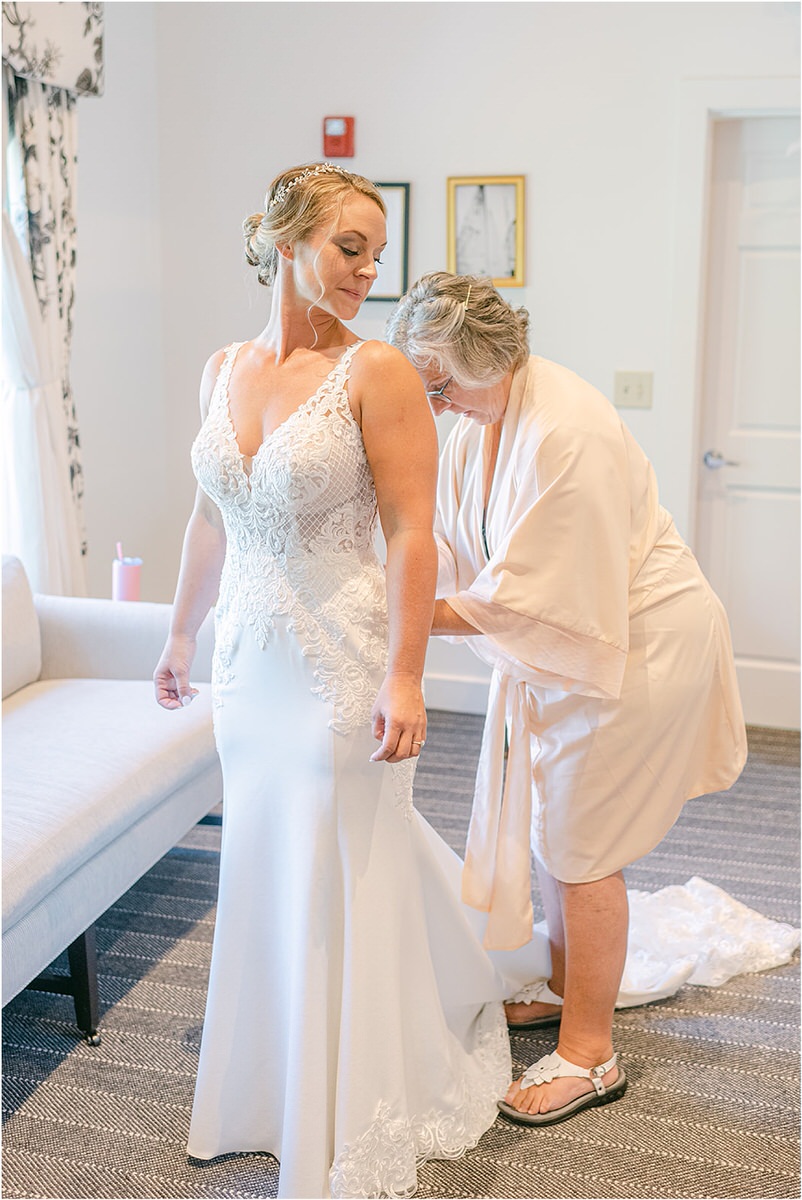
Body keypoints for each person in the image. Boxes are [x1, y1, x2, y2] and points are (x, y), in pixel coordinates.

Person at [154, 170, 511, 1199]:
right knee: (267, 858)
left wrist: (407, 676)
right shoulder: (224, 367)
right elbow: (211, 517)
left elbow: (412, 538)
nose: (367, 270)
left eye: (373, 249)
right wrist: (180, 635)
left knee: (337, 857)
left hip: (337, 665)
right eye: (349, 246)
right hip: (245, 665)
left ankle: (346, 1102)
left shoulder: (380, 373)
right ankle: (268, 1087)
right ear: (284, 240)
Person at [386, 271, 748, 1129]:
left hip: (639, 646)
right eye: (422, 383)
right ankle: (562, 985)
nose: (435, 402)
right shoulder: (490, 410)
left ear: (492, 357)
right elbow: (445, 534)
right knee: (557, 827)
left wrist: (395, 621)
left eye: (443, 383)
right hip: (584, 641)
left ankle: (592, 1055)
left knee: (584, 847)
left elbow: (532, 597)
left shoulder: (566, 432)